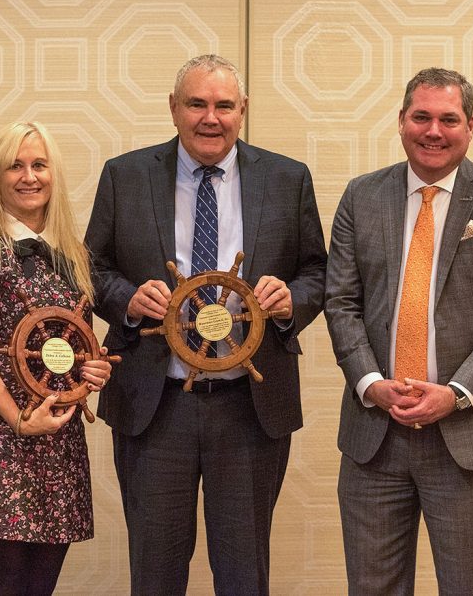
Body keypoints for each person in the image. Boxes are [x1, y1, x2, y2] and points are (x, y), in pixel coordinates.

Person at [84, 54, 327, 594]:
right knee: (154, 573)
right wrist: (128, 298)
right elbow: (92, 267)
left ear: (243, 111)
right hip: (155, 404)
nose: (210, 118)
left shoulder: (288, 178)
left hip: (249, 407)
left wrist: (291, 300)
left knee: (244, 576)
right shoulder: (125, 175)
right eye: (197, 104)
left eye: (223, 105)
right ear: (174, 109)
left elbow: (318, 271)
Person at [324, 67, 473, 595]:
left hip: (467, 438)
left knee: (467, 586)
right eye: (421, 116)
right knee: (372, 586)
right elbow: (340, 302)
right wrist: (369, 382)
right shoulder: (361, 196)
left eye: (449, 119)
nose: (433, 130)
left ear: (470, 126)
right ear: (401, 122)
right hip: (374, 436)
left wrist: (457, 393)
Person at [0, 121, 112, 595]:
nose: (28, 176)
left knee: (41, 585)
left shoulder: (72, 253)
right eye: (14, 166)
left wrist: (91, 369)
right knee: (5, 583)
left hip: (58, 436)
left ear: (53, 174)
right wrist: (19, 419)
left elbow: (72, 346)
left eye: (39, 164)